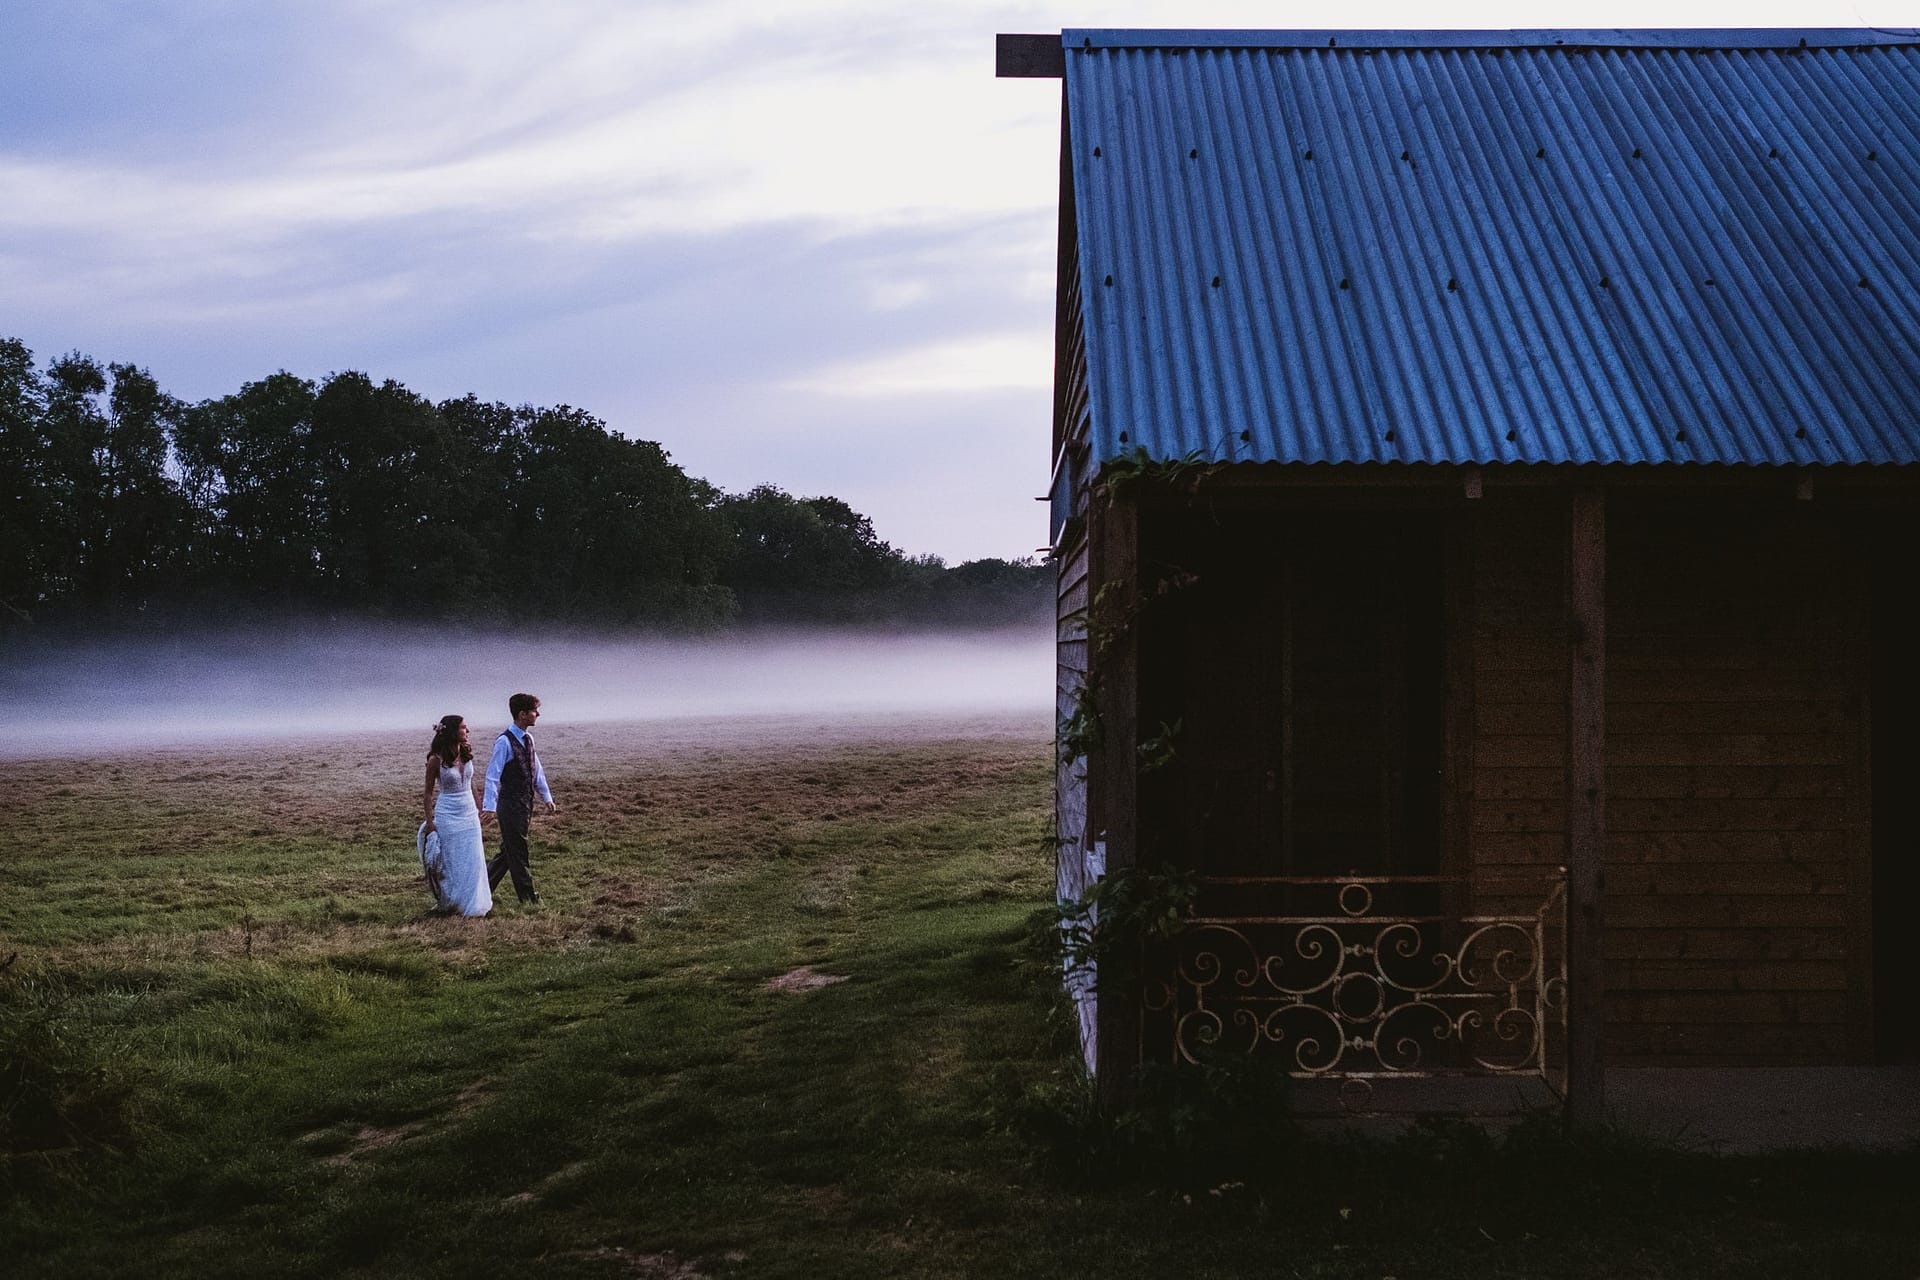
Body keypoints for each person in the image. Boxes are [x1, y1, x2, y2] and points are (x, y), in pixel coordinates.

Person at [482, 692, 556, 904]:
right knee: (519, 851)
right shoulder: (504, 742)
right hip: (509, 804)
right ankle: (529, 899)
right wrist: (489, 806)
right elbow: (493, 776)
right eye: (534, 711)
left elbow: (536, 770)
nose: (538, 714)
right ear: (522, 714)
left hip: (526, 803)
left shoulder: (529, 739)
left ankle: (480, 889)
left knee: (509, 851)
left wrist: (546, 796)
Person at [418, 714, 493, 917]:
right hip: (448, 813)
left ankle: (474, 903)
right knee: (452, 859)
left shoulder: (466, 753)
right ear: (452, 731)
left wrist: (481, 809)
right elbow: (427, 793)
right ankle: (453, 902)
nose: (467, 731)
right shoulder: (436, 760)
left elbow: (472, 783)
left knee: (473, 857)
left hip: (469, 812)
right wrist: (430, 822)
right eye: (463, 727)